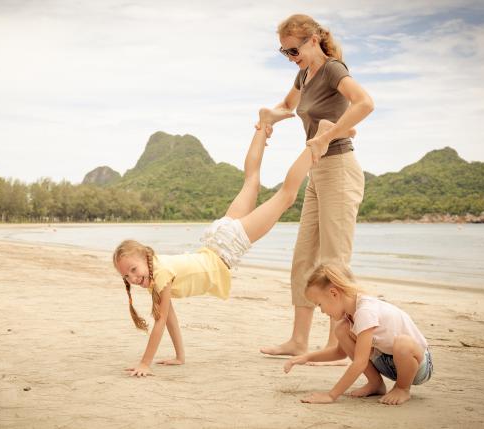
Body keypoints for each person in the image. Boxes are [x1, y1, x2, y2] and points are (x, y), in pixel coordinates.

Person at [113, 108, 356, 377]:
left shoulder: (159, 276)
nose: (133, 277)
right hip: (217, 238)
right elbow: (168, 317)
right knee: (251, 181)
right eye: (127, 276)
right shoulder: (157, 273)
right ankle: (264, 124)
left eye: (133, 269)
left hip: (226, 246)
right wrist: (180, 357)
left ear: (144, 256)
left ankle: (320, 139)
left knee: (286, 196)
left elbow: (159, 323)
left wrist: (145, 363)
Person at [260, 14, 373, 358]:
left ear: (313, 40)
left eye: (293, 50)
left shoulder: (333, 70)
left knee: (334, 262)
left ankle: (338, 344)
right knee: (304, 259)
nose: (290, 57)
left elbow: (365, 103)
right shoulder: (303, 74)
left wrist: (327, 135)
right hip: (317, 171)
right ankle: (298, 340)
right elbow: (288, 106)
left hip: (339, 169)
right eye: (284, 52)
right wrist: (269, 115)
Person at [284, 264, 433, 405]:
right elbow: (340, 353)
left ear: (334, 293)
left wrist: (331, 395)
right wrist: (307, 357)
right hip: (389, 362)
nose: (322, 311)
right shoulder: (350, 315)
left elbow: (360, 362)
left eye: (319, 304)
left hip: (417, 366)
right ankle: (375, 384)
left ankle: (402, 388)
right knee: (341, 329)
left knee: (402, 344)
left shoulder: (365, 312)